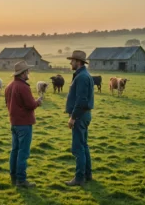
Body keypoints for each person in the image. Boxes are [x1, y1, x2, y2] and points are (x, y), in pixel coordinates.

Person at [5, 60, 42, 188]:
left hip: (14, 123)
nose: (29, 73)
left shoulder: (9, 86)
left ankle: (13, 177)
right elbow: (30, 105)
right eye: (27, 71)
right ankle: (21, 180)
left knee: (14, 150)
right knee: (23, 152)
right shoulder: (24, 87)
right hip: (24, 124)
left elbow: (7, 104)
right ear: (23, 73)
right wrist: (38, 102)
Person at [65, 50, 94, 186]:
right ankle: (87, 175)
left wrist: (73, 117)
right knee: (84, 145)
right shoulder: (83, 75)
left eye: (72, 60)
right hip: (84, 115)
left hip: (80, 116)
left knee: (78, 148)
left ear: (78, 62)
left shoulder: (81, 77)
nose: (70, 62)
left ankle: (79, 178)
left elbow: (81, 100)